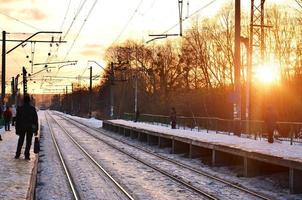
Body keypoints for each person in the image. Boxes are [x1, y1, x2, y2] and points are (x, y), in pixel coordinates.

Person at [15, 94, 38, 160]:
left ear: (24, 100)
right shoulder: (32, 109)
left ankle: (17, 154)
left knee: (20, 141)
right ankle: (27, 155)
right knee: (29, 141)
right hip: (30, 128)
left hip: (22, 127)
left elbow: (18, 120)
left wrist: (17, 129)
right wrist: (36, 130)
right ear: (29, 101)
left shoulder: (20, 109)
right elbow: (35, 120)